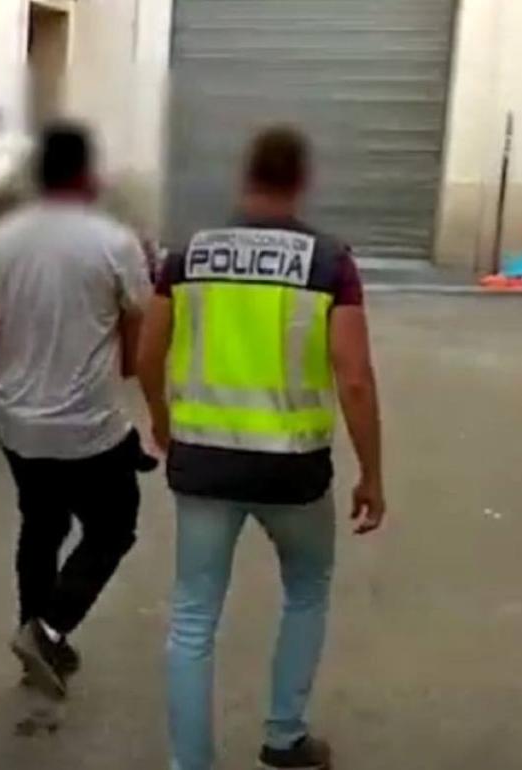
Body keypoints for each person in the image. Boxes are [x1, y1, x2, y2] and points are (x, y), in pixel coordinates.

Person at [137, 125, 386, 770]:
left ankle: (190, 764)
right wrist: (371, 474)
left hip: (202, 462)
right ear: (302, 182)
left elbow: (148, 351)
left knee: (193, 616)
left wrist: (162, 421)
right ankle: (284, 735)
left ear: (244, 179)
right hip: (293, 473)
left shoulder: (186, 256)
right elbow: (354, 378)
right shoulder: (330, 262)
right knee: (306, 588)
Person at [0, 123, 154, 698]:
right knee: (114, 525)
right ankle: (48, 628)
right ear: (88, 174)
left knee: (42, 523)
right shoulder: (114, 242)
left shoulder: (0, 240)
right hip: (85, 426)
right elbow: (139, 336)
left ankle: (38, 637)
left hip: (16, 420)